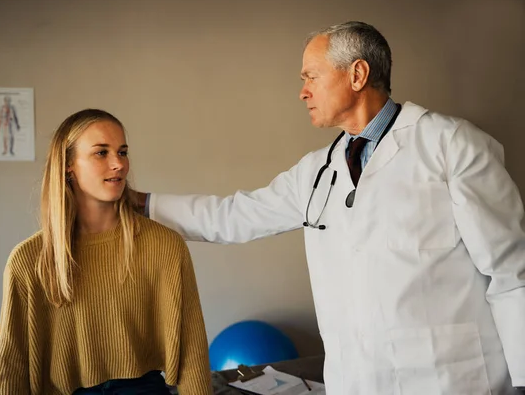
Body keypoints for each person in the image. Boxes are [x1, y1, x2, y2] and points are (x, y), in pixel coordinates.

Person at [134, 22, 525, 394]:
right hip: (357, 380)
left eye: (311, 76)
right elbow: (232, 217)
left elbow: (512, 271)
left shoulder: (452, 145)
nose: (302, 91)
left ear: (357, 75)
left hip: (453, 379)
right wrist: (139, 204)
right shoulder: (317, 171)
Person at [0, 109, 211, 394]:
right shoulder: (28, 261)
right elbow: (10, 367)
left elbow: (192, 352)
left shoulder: (166, 246)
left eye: (123, 151)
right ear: (69, 164)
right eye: (101, 153)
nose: (118, 164)